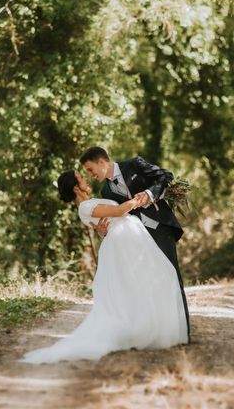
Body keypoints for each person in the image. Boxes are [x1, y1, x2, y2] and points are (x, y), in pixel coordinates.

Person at [19, 170, 188, 364]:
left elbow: (107, 223)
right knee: (142, 282)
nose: (86, 178)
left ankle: (146, 327)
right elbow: (117, 212)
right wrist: (143, 197)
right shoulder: (84, 207)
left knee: (147, 281)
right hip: (123, 243)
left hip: (129, 238)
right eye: (81, 177)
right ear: (76, 187)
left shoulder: (91, 202)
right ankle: (139, 330)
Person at [80, 146, 190, 343]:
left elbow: (166, 176)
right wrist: (104, 230)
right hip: (138, 239)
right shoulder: (105, 190)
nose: (90, 174)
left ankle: (183, 332)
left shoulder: (134, 164)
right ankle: (159, 332)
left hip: (161, 228)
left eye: (90, 169)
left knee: (172, 275)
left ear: (102, 162)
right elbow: (117, 215)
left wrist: (149, 193)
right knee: (151, 281)